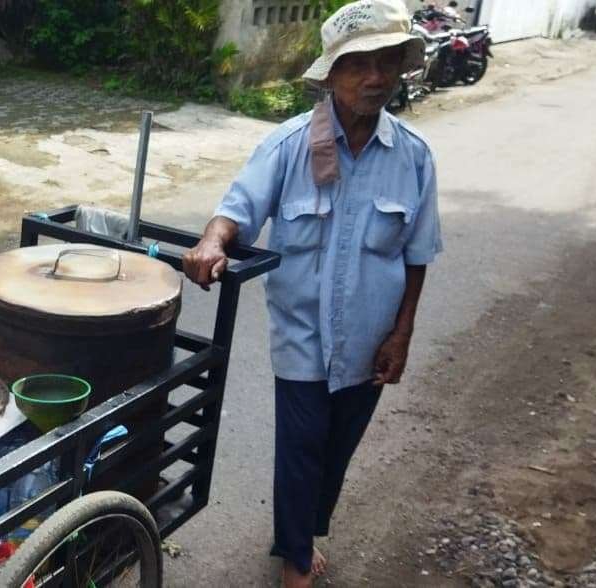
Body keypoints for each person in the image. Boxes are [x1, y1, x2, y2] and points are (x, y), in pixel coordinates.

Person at [181, 1, 442, 586]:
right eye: (357, 65)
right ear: (332, 75)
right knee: (301, 448)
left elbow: (418, 254)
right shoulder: (289, 145)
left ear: (401, 67)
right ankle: (296, 557)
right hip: (301, 335)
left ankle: (302, 532)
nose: (373, 77)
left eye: (386, 62)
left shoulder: (415, 158)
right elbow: (237, 209)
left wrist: (402, 334)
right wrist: (211, 241)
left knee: (337, 449)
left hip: (372, 335)